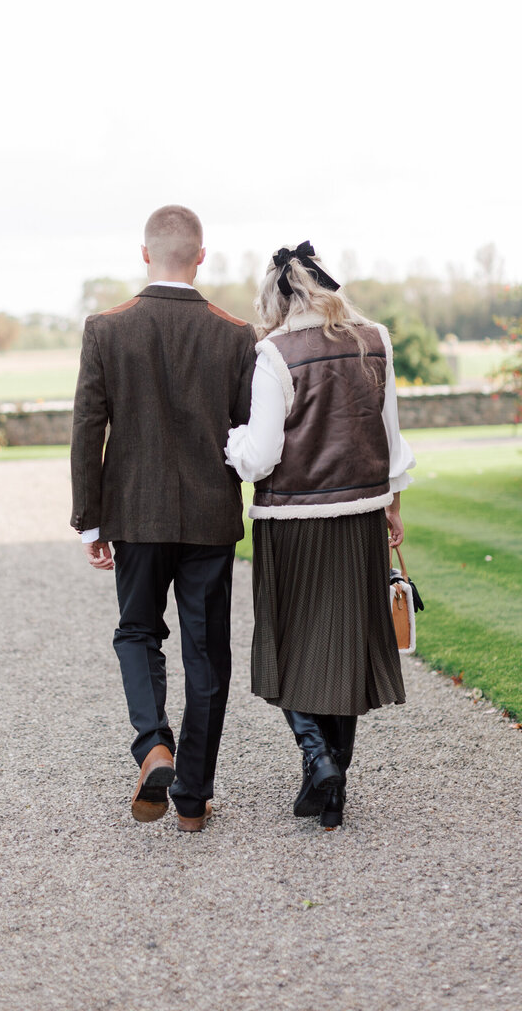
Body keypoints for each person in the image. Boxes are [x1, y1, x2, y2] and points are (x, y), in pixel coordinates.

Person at [71, 206, 257, 832]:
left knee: (136, 633)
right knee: (207, 654)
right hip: (209, 517)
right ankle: (194, 798)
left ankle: (154, 745)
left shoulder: (106, 328)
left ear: (144, 253)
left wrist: (90, 520)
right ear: (201, 256)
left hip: (136, 514)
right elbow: (245, 436)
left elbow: (87, 431)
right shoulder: (236, 335)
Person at [225, 241, 415, 829]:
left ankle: (317, 758)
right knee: (347, 647)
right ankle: (333, 780)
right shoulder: (375, 340)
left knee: (289, 643)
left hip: (292, 521)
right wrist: (393, 506)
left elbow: (259, 457)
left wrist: (230, 442)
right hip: (361, 515)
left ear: (276, 299)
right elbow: (391, 438)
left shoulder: (274, 353)